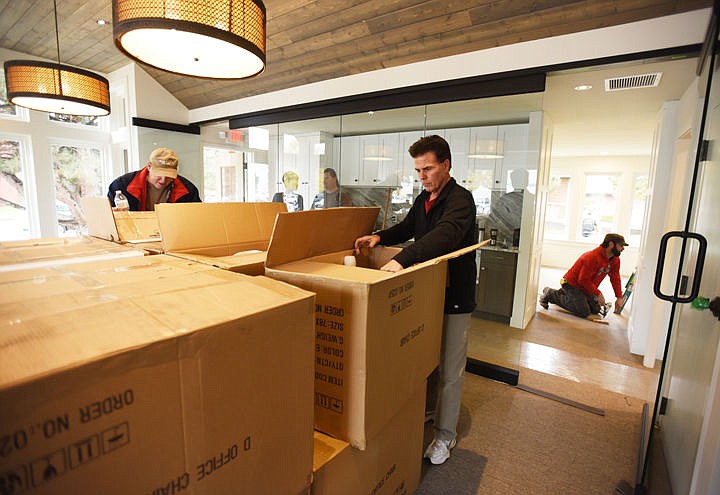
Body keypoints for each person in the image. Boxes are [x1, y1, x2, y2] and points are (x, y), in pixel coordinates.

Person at [354, 135, 477, 466]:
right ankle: (429, 410)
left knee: (451, 368)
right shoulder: (424, 199)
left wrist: (403, 259)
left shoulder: (460, 200)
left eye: (428, 169)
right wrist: (380, 237)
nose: (421, 176)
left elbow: (444, 236)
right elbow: (409, 226)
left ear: (446, 165)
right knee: (427, 357)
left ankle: (446, 436)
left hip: (454, 296)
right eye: (418, 170)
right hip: (429, 291)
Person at [539, 233, 628, 317]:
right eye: (621, 245)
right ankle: (550, 293)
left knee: (596, 309)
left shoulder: (615, 260)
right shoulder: (592, 257)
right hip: (571, 284)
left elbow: (615, 278)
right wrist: (598, 294)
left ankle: (565, 294)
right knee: (583, 311)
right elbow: (583, 280)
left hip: (585, 287)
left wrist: (619, 297)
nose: (623, 248)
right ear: (611, 244)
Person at [107, 148, 201, 211]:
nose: (163, 180)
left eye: (169, 176)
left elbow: (197, 218)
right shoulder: (121, 185)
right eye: (159, 174)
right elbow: (107, 216)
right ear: (149, 166)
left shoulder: (188, 190)